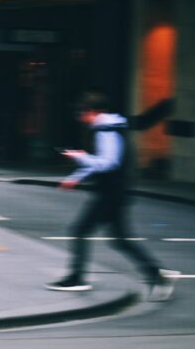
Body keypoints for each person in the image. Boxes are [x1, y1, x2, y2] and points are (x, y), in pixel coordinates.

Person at [46, 91, 178, 301]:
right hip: (115, 192)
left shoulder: (105, 130)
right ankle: (157, 275)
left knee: (80, 229)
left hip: (110, 194)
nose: (81, 119)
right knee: (120, 240)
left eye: (82, 114)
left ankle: (76, 278)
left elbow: (108, 162)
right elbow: (102, 162)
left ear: (91, 112)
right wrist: (75, 177)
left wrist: (81, 158)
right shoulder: (111, 126)